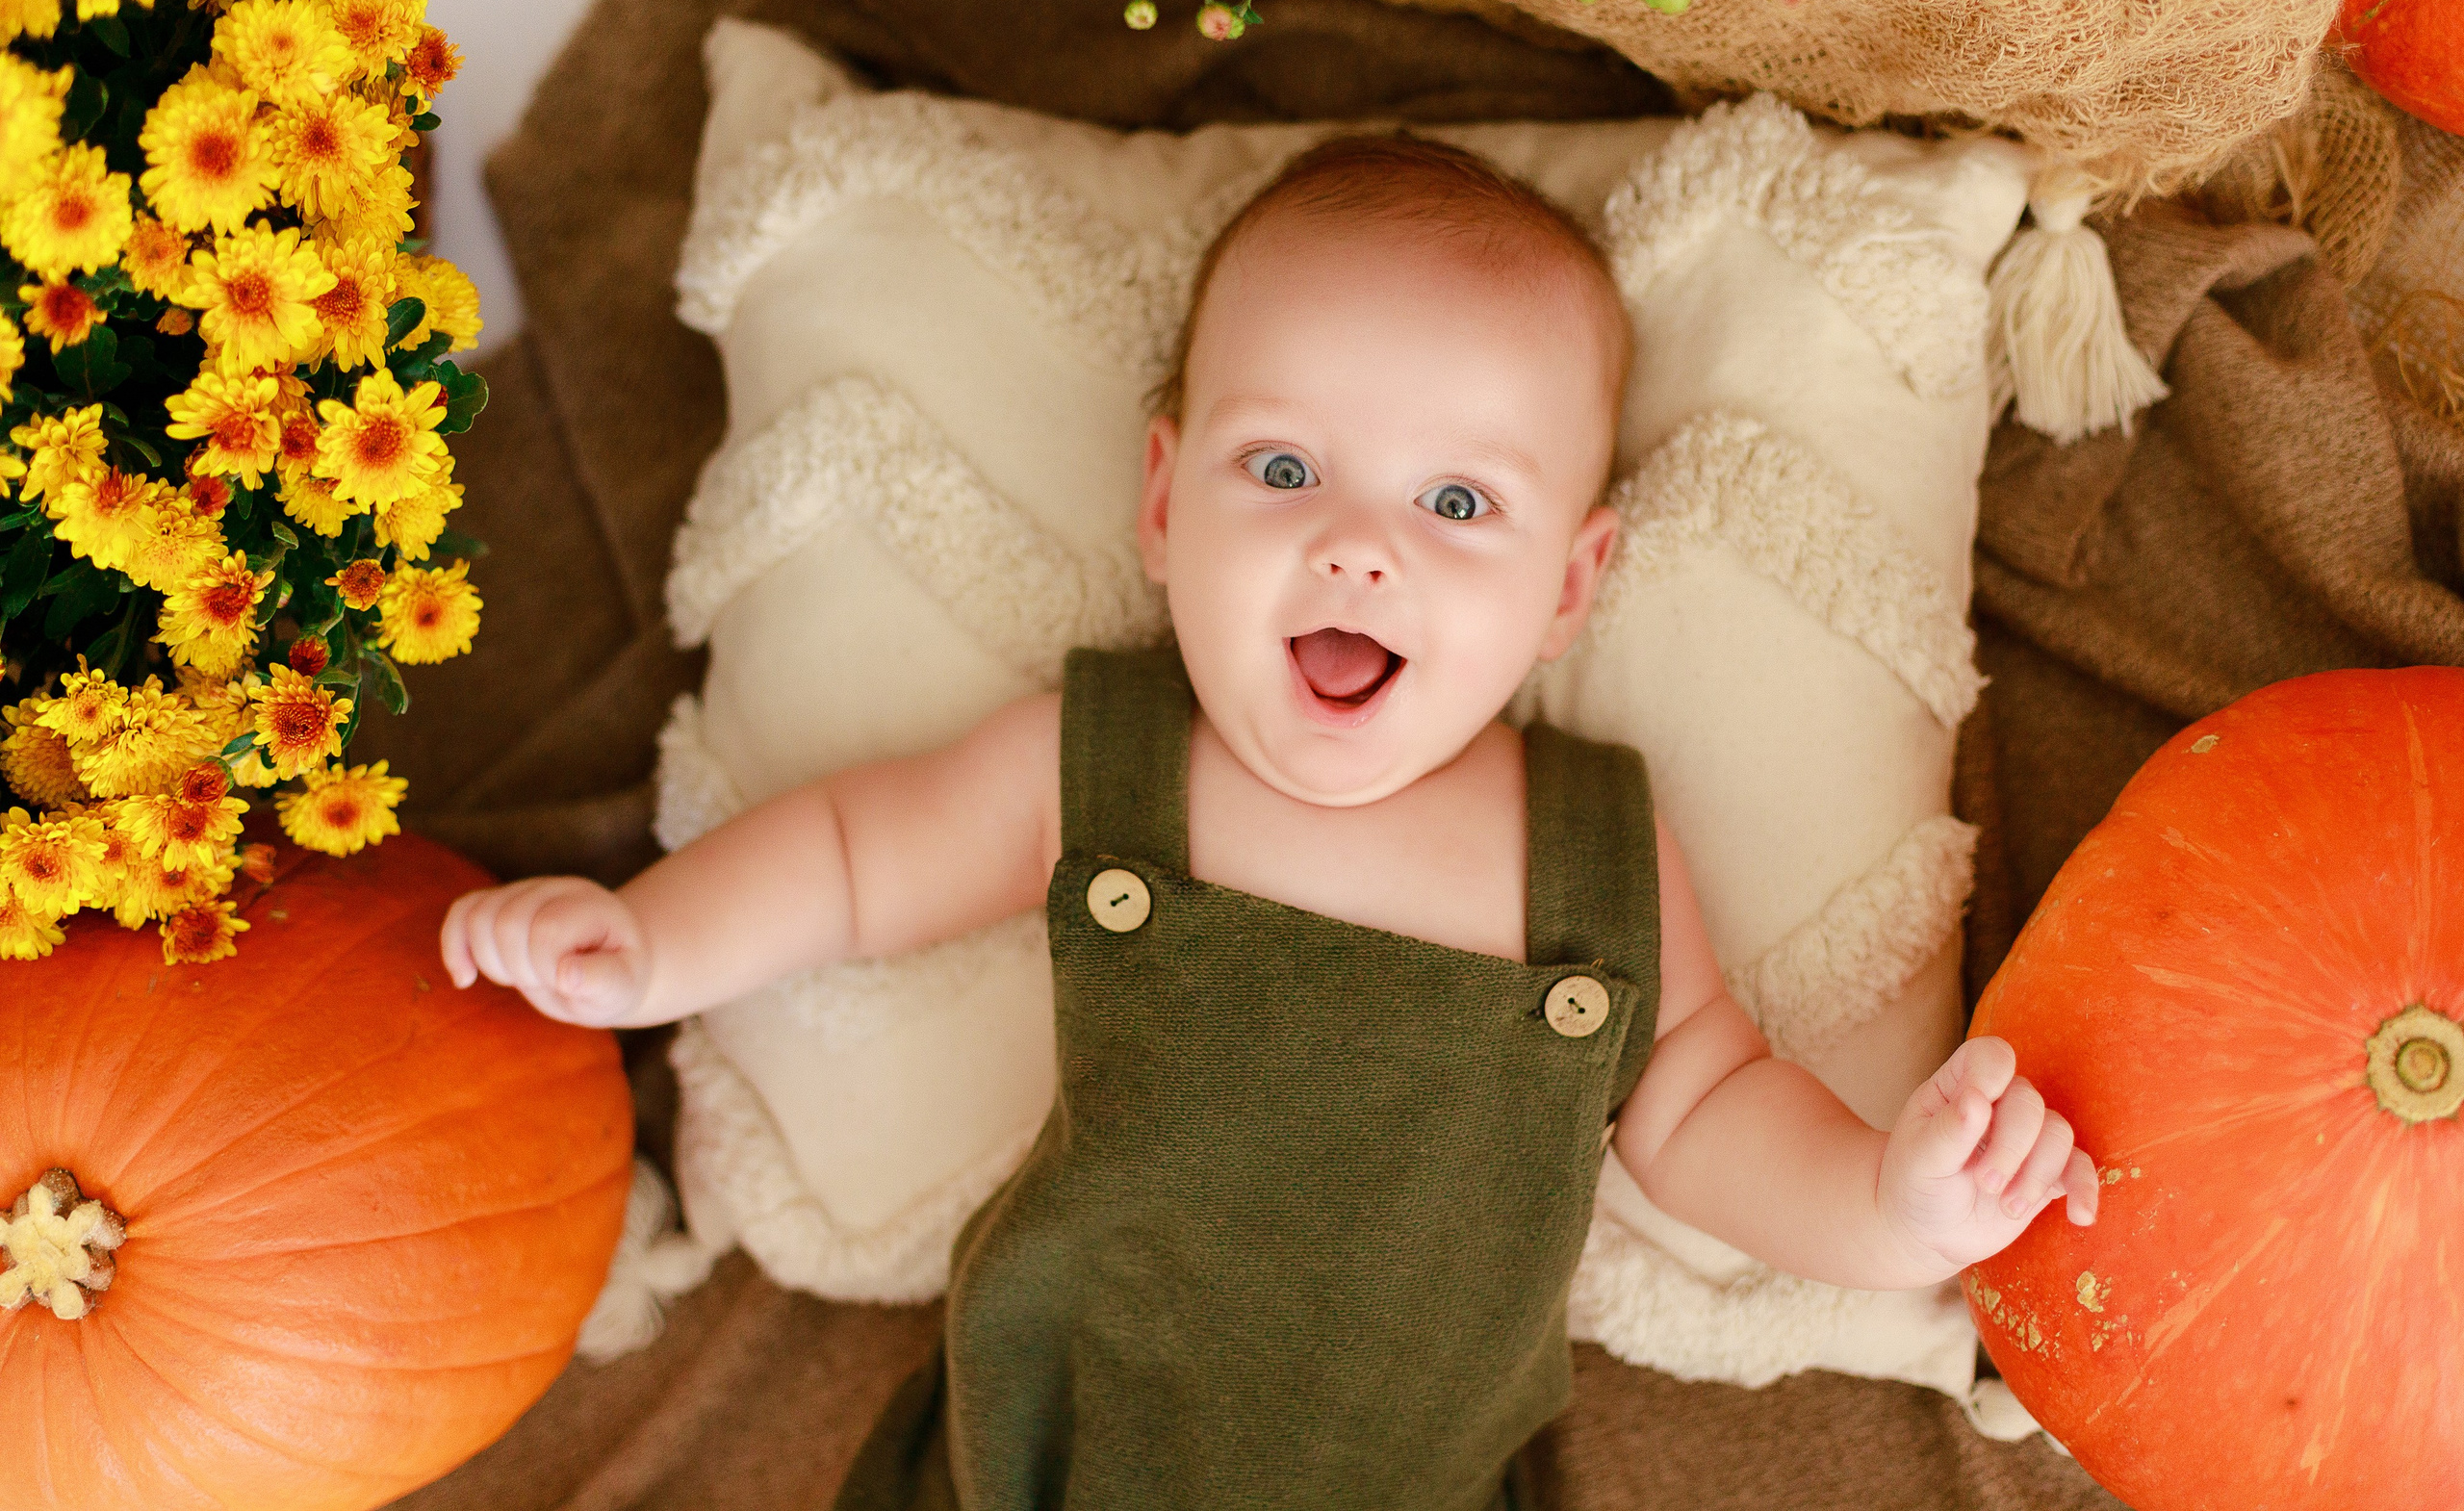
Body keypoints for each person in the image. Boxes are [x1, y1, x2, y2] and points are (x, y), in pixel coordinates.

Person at [441, 134, 2099, 1511]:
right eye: (1284, 469)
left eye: (1460, 503)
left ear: (1568, 589)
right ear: (1163, 508)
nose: (1359, 546)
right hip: (1044, 1455)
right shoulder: (1113, 766)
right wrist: (656, 939)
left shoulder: (1586, 848)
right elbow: (861, 856)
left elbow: (1709, 1107)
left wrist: (1890, 1208)